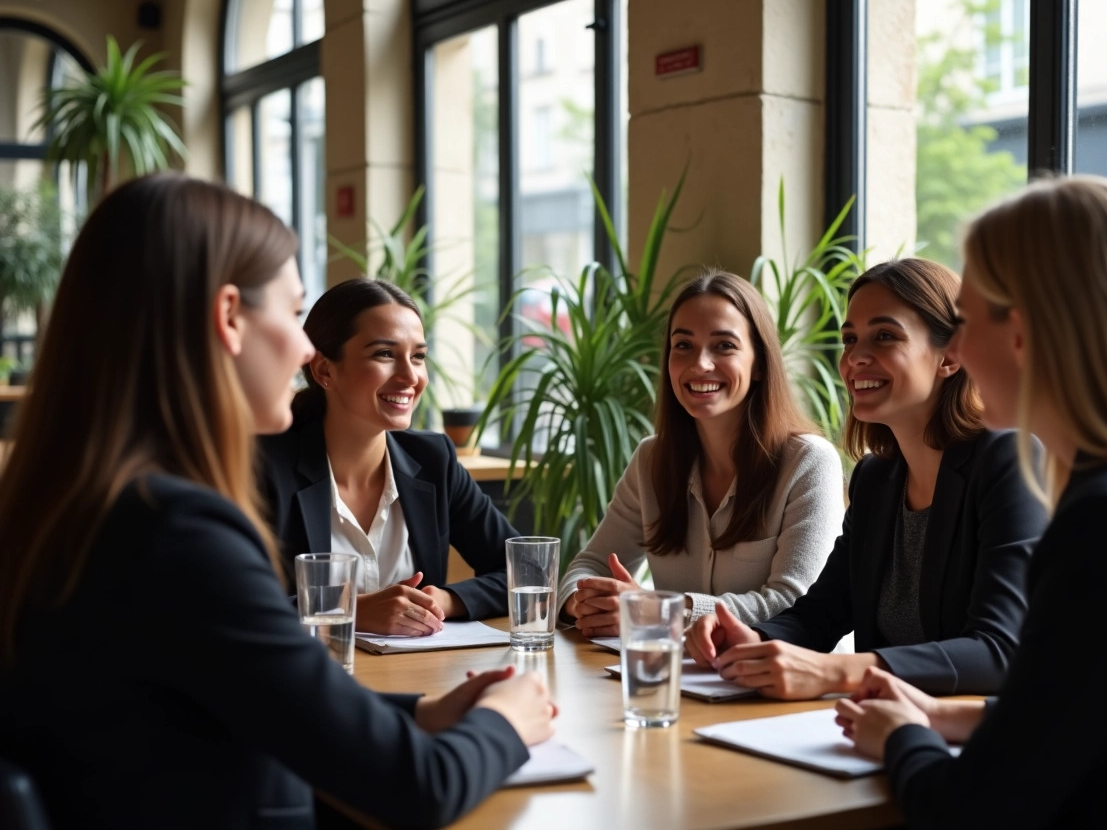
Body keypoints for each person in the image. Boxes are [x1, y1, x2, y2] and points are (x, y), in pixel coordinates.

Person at [0, 174, 555, 829]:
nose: (301, 350)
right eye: (293, 316)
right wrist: (505, 722)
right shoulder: (178, 533)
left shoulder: (88, 500)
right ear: (229, 316)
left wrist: (427, 713)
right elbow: (418, 790)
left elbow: (259, 699)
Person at [835, 176, 1107, 828]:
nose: (954, 350)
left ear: (1029, 330)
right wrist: (938, 715)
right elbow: (1089, 709)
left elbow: (972, 811)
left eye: (968, 320)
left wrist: (900, 737)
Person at [685, 259, 1047, 699]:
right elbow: (819, 615)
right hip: (880, 730)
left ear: (951, 355)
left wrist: (839, 673)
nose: (855, 358)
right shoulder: (877, 479)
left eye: (885, 336)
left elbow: (999, 652)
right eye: (850, 339)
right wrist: (749, 639)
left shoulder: (1007, 459)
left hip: (971, 745)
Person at [559, 270, 845, 638]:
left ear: (759, 363)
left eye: (724, 346)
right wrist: (584, 602)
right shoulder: (652, 459)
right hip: (689, 680)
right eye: (683, 346)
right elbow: (590, 564)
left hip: (792, 686)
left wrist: (660, 611)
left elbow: (794, 603)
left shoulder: (808, 462)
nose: (700, 364)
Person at [259, 278, 515, 636]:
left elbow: (523, 571)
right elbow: (227, 606)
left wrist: (441, 600)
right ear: (324, 370)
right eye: (384, 354)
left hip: (414, 676)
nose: (411, 376)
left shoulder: (433, 459)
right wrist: (349, 611)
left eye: (419, 356)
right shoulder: (264, 466)